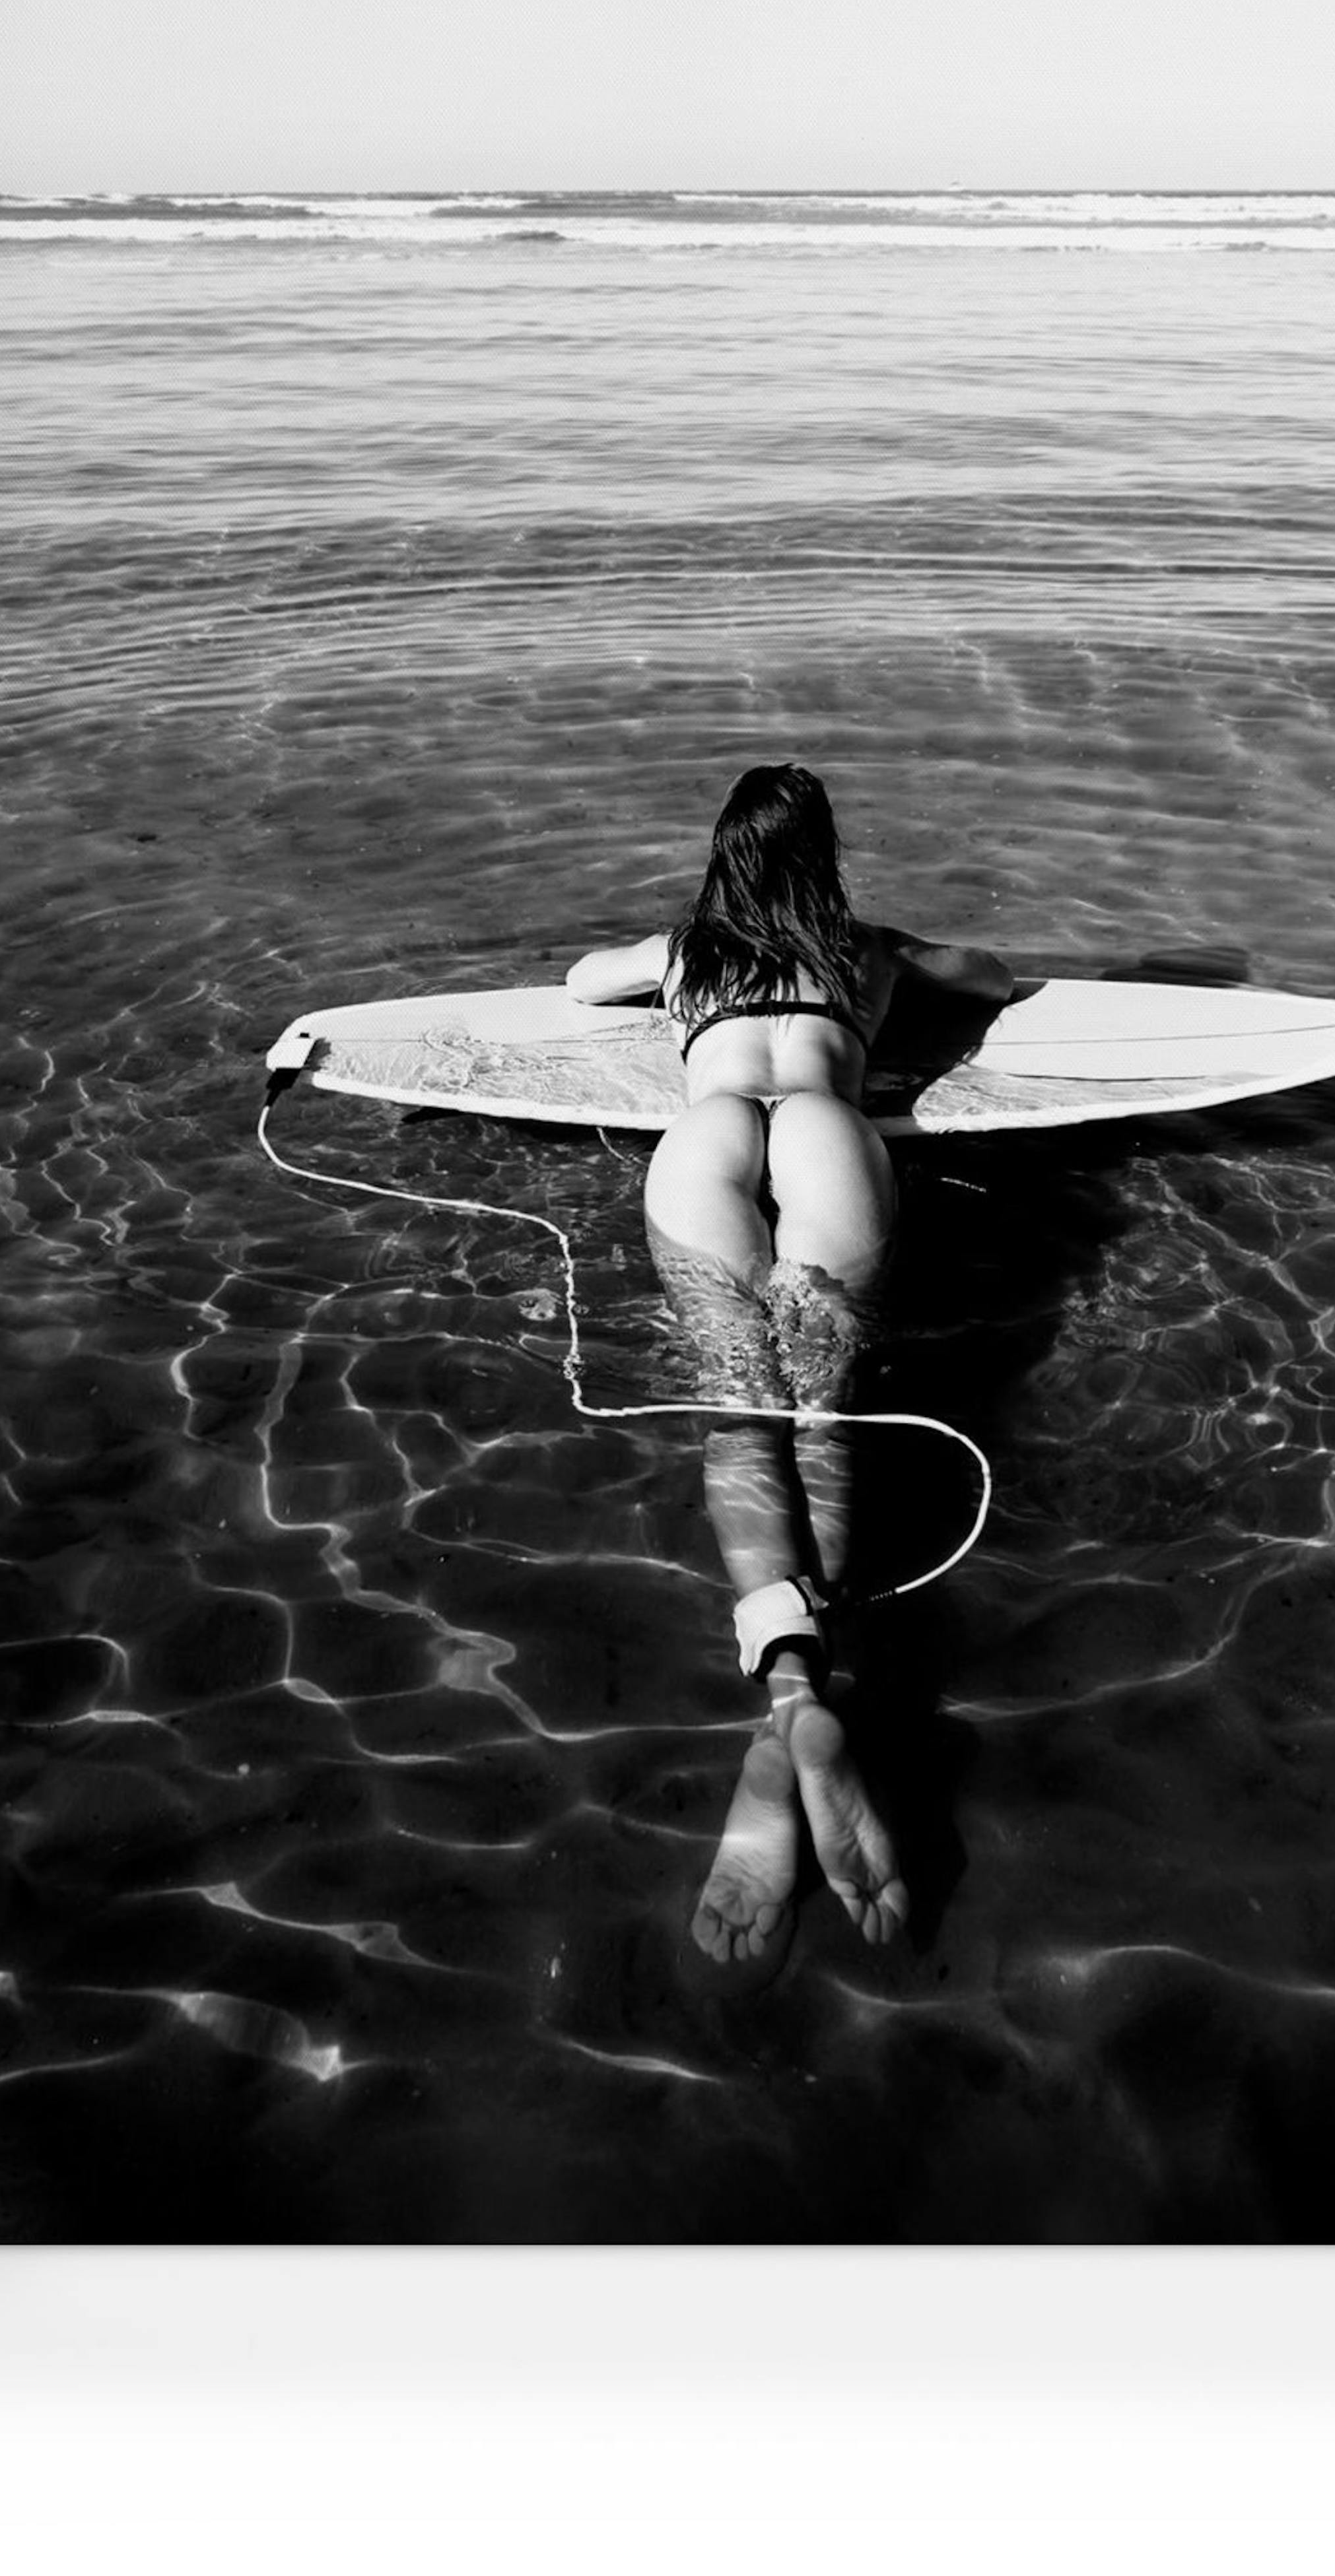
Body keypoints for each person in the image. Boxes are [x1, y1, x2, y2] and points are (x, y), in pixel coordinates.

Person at [564, 763, 1015, 1971]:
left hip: (703, 1134)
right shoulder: (864, 946)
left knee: (736, 1411)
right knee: (826, 1411)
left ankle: (790, 1697)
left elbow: (575, 982)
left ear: (724, 857)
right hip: (827, 1129)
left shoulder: (685, 951)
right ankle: (832, 1694)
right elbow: (993, 976)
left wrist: (670, 961)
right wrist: (909, 966)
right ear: (822, 860)